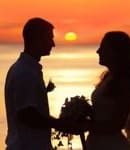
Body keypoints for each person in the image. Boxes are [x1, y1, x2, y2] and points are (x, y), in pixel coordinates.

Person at [4, 17, 87, 150]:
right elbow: (27, 115)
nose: (53, 44)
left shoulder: (26, 69)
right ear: (37, 39)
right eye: (49, 38)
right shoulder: (25, 72)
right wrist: (60, 124)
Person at [85, 31, 130, 150]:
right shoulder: (108, 77)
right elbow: (103, 112)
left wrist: (86, 126)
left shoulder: (123, 83)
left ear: (115, 52)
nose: (98, 51)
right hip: (96, 142)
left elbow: (117, 124)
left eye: (103, 47)